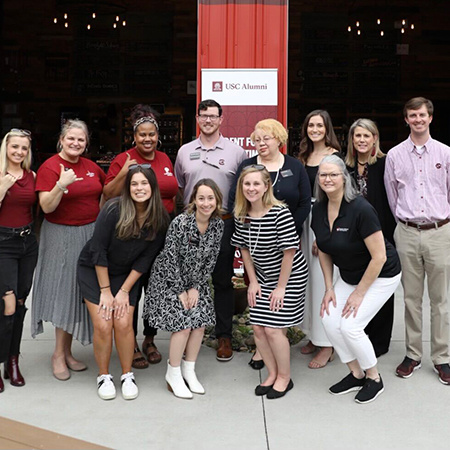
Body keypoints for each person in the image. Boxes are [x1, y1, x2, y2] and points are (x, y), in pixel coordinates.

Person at [311, 155, 401, 403]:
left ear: (344, 178)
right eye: (323, 175)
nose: (327, 179)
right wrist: (329, 287)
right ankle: (356, 374)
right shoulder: (317, 209)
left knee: (350, 326)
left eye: (333, 174)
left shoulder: (360, 209)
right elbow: (325, 249)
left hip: (381, 275)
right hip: (349, 276)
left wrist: (359, 294)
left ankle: (374, 378)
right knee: (329, 320)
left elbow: (379, 257)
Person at [78, 165, 168, 400]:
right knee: (104, 323)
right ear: (128, 188)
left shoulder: (159, 218)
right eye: (134, 184)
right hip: (95, 270)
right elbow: (98, 250)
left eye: (144, 183)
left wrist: (125, 290)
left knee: (124, 322)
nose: (139, 188)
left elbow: (146, 258)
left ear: (153, 186)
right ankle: (104, 375)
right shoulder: (113, 209)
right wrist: (106, 291)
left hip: (127, 275)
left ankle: (127, 374)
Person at [228, 118, 311, 370]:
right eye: (257, 139)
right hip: (259, 256)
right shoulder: (247, 167)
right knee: (261, 322)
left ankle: (279, 356)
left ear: (279, 139)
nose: (262, 143)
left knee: (275, 320)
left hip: (285, 244)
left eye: (267, 138)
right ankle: (266, 353)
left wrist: (283, 232)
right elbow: (238, 203)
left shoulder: (295, 167)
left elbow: (304, 202)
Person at [103, 104, 178, 369]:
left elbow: (173, 193)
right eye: (142, 135)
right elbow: (109, 194)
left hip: (162, 235)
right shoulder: (123, 159)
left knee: (155, 290)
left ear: (158, 136)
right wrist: (125, 172)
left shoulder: (165, 159)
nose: (147, 139)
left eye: (152, 135)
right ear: (134, 137)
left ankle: (150, 339)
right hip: (133, 236)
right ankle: (131, 343)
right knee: (132, 290)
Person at [31, 119, 106, 381]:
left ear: (86, 143)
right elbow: (47, 207)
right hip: (60, 235)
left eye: (81, 140)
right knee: (63, 292)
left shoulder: (92, 167)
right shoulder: (50, 167)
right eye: (71, 138)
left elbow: (105, 193)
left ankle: (68, 352)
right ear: (61, 140)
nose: (76, 143)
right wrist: (61, 184)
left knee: (78, 293)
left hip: (89, 234)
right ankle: (58, 355)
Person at [175, 99, 246, 362]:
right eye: (203, 115)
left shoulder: (236, 152)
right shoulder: (184, 151)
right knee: (188, 280)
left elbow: (242, 189)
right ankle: (184, 330)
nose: (208, 120)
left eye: (213, 116)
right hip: (193, 223)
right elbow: (182, 186)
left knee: (222, 280)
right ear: (197, 118)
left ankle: (223, 336)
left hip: (224, 222)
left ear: (221, 119)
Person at [385, 97, 450, 385]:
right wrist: (404, 222)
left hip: (439, 232)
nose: (418, 120)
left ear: (430, 118)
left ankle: (442, 357)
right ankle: (413, 354)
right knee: (411, 298)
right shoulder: (395, 155)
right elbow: (391, 195)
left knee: (440, 300)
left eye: (422, 115)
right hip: (408, 232)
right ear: (406, 119)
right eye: (412, 115)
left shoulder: (445, 153)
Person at [231, 166, 308, 399]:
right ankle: (273, 373)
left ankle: (285, 377)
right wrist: (252, 282)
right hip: (262, 276)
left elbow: (289, 251)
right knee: (257, 327)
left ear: (266, 186)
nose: (251, 188)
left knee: (274, 330)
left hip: (289, 276)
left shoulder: (279, 213)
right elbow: (243, 249)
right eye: (247, 184)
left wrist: (281, 288)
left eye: (256, 184)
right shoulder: (241, 214)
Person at [143, 179, 224, 399]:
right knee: (184, 325)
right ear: (194, 200)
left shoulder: (218, 225)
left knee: (199, 324)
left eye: (210, 198)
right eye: (201, 198)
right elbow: (170, 258)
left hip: (195, 282)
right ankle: (174, 372)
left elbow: (211, 259)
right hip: (168, 280)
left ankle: (189, 369)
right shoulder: (181, 222)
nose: (206, 203)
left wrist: (196, 287)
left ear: (217, 200)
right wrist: (181, 290)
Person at [346, 118, 397, 356]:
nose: (362, 140)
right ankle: (358, 335)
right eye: (358, 136)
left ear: (375, 138)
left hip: (381, 233)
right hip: (353, 239)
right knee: (358, 285)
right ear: (352, 140)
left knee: (382, 288)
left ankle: (379, 342)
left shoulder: (386, 164)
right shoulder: (346, 166)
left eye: (367, 136)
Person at [298, 110, 341, 368]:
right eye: (311, 125)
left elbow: (336, 196)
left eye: (320, 125)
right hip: (305, 223)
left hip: (323, 220)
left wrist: (324, 233)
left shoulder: (334, 157)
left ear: (327, 129)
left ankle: (328, 344)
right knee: (308, 283)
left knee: (323, 283)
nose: (315, 129)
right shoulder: (304, 156)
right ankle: (315, 335)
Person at [0, 129, 38, 392]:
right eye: (15, 147)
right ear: (6, 148)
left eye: (23, 148)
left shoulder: (32, 176)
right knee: (8, 305)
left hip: (28, 243)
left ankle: (12, 361)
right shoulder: (0, 175)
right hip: (3, 244)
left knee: (21, 303)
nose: (19, 152)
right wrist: (3, 185)